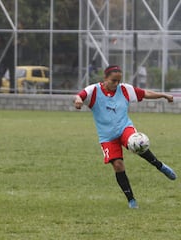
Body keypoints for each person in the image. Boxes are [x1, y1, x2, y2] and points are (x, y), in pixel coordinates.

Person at [74, 65, 177, 209]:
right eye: (113, 81)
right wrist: (78, 101)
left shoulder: (124, 89)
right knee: (118, 165)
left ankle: (160, 166)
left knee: (137, 143)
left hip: (124, 128)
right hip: (107, 137)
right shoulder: (94, 91)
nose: (116, 84)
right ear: (105, 79)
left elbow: (145, 93)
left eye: (118, 81)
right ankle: (131, 200)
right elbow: (80, 95)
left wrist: (163, 95)